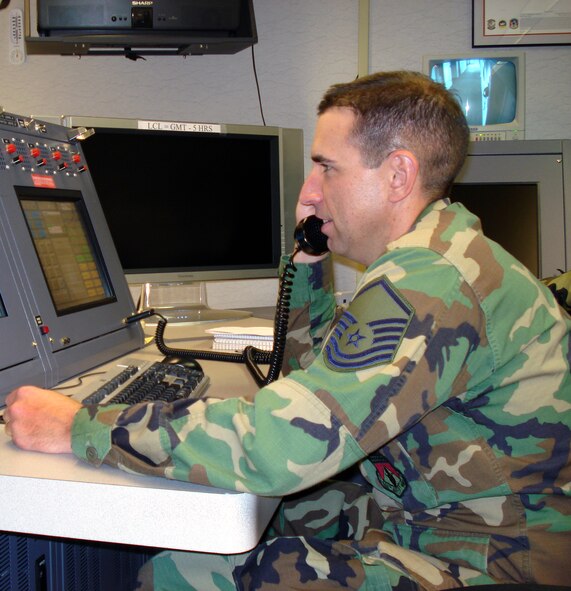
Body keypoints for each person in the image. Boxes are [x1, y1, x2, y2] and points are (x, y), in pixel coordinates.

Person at [4, 71, 571, 590]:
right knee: (266, 507)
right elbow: (313, 382)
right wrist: (307, 261)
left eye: (328, 166)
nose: (313, 187)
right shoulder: (440, 252)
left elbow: (284, 443)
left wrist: (82, 427)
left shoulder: (430, 280)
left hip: (497, 557)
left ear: (398, 174)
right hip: (438, 513)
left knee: (182, 574)